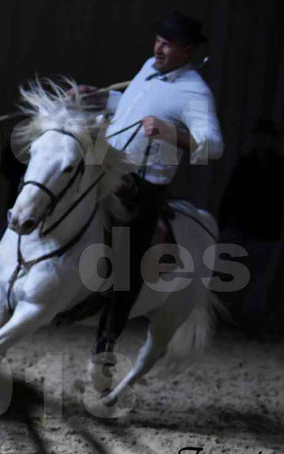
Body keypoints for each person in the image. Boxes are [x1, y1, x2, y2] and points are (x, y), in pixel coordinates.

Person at [75, 11, 224, 359]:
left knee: (129, 259)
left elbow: (213, 145)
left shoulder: (195, 93)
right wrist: (98, 97)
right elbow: (129, 106)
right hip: (105, 164)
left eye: (169, 45)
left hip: (143, 185)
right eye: (158, 40)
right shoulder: (148, 67)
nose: (159, 49)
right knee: (51, 186)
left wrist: (172, 133)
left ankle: (107, 339)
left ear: (187, 50)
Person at [219, 118, 284, 339]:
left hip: (264, 229)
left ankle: (251, 321)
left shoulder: (278, 166)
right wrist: (223, 222)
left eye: (265, 137)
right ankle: (227, 315)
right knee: (231, 272)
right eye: (258, 137)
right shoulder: (245, 163)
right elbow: (230, 194)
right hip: (240, 225)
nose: (261, 141)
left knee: (258, 277)